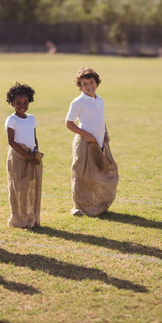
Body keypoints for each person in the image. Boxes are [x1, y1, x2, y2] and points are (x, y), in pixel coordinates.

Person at [65, 67, 118, 216]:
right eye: (85, 84)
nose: (89, 86)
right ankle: (78, 207)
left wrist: (105, 132)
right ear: (80, 86)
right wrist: (85, 134)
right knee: (82, 175)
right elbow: (69, 123)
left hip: (100, 143)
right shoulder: (78, 102)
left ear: (97, 82)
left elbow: (100, 118)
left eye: (91, 82)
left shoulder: (99, 99)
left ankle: (97, 205)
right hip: (84, 143)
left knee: (100, 173)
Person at [5, 82, 43, 229]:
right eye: (18, 102)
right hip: (18, 158)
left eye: (25, 102)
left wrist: (35, 153)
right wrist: (27, 156)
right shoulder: (11, 120)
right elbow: (11, 142)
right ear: (12, 103)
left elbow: (34, 138)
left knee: (31, 186)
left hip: (32, 157)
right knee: (18, 187)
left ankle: (31, 217)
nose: (22, 105)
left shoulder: (31, 118)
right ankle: (19, 219)